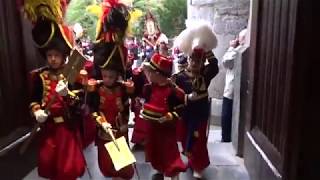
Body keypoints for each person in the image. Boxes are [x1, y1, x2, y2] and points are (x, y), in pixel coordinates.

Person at [27, 18, 86, 180]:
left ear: (63, 56)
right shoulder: (40, 76)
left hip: (66, 129)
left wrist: (68, 94)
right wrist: (37, 111)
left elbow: (80, 102)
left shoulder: (72, 74)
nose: (53, 58)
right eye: (49, 55)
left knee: (68, 169)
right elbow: (34, 99)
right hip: (48, 129)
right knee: (50, 165)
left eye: (56, 55)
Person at [173, 23, 219, 179]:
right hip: (185, 114)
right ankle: (191, 162)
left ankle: (199, 166)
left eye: (198, 61)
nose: (194, 63)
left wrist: (205, 47)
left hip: (200, 115)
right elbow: (174, 96)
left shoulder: (206, 74)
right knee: (187, 140)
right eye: (192, 60)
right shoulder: (180, 77)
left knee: (198, 141)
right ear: (188, 59)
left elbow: (214, 66)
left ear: (202, 62)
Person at [141, 53, 187, 180]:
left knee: (170, 151)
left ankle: (174, 173)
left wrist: (171, 116)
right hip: (153, 126)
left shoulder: (173, 91)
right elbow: (146, 103)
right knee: (155, 149)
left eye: (151, 72)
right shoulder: (149, 88)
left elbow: (182, 107)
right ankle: (160, 168)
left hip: (167, 129)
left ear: (159, 74)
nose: (148, 75)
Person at [221, 28, 247, 142]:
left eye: (239, 38)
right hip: (239, 88)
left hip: (232, 89)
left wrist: (231, 47)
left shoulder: (238, 51)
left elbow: (226, 62)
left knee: (227, 114)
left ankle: (226, 137)